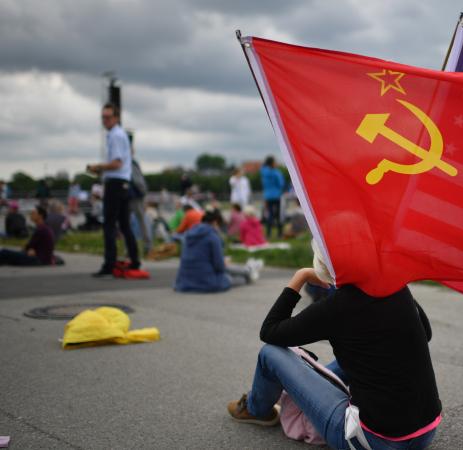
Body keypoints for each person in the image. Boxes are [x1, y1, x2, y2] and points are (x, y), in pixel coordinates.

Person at [227, 241, 441, 449]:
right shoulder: (396, 287)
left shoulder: (337, 307)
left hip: (372, 441)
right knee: (368, 352)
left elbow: (270, 332)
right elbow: (426, 334)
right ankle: (297, 392)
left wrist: (300, 277)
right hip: (426, 431)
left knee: (270, 353)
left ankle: (257, 410)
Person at [86, 102, 141, 277]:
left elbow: (117, 163)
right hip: (124, 183)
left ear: (116, 118)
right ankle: (135, 261)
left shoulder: (115, 135)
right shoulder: (120, 134)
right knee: (124, 225)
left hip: (116, 183)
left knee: (109, 225)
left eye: (108, 117)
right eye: (103, 117)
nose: (105, 120)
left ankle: (109, 264)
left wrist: (98, 167)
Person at [174, 209, 260, 292]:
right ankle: (248, 273)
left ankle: (248, 271)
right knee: (232, 278)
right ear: (215, 223)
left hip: (184, 281)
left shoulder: (188, 235)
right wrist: (224, 262)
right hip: (205, 282)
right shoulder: (212, 237)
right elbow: (219, 266)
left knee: (225, 269)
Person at [129, 149, 152, 254]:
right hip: (136, 196)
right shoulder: (132, 162)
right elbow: (138, 181)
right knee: (142, 221)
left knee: (127, 223)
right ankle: (147, 246)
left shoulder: (124, 162)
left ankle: (129, 248)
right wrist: (144, 193)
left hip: (127, 196)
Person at [260, 156, 285, 239]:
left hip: (267, 196)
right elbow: (281, 184)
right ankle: (280, 234)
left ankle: (268, 234)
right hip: (277, 195)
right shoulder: (276, 172)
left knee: (269, 215)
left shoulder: (263, 172)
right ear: (272, 163)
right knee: (278, 215)